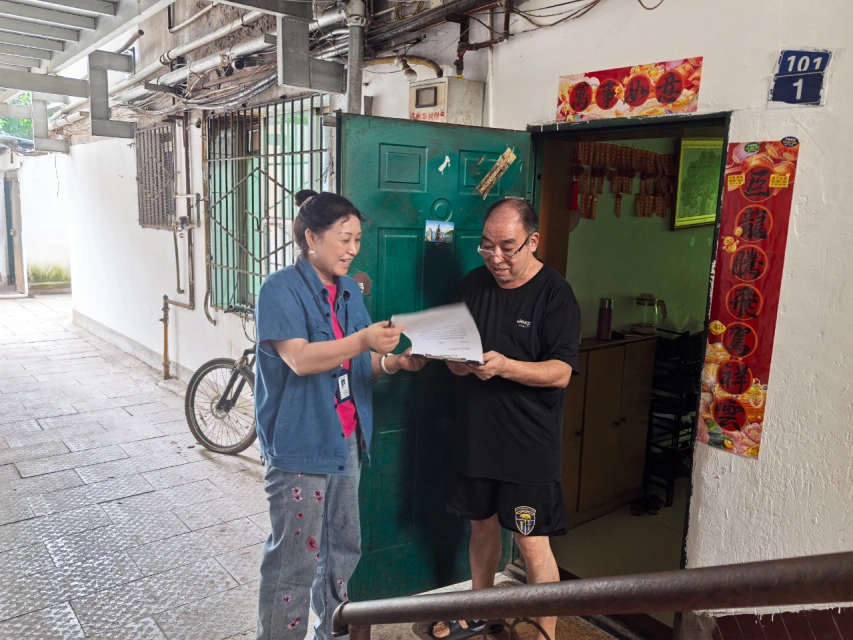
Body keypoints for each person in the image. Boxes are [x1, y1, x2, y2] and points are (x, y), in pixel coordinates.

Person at [255, 189, 427, 640]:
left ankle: (331, 634)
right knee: (294, 562)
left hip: (346, 439)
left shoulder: (349, 291)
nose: (352, 250)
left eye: (357, 241)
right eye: (344, 239)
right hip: (302, 446)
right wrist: (363, 340)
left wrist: (393, 362)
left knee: (342, 552)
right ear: (311, 238)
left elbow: (358, 361)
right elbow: (300, 358)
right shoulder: (279, 290)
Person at [429, 198, 581, 640]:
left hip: (528, 445)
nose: (495, 257)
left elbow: (561, 373)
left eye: (507, 247)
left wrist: (506, 367)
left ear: (532, 242)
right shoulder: (472, 285)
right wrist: (454, 363)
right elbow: (455, 348)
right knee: (480, 526)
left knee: (531, 541)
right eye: (486, 246)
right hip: (477, 436)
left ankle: (545, 633)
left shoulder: (556, 295)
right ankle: (481, 613)